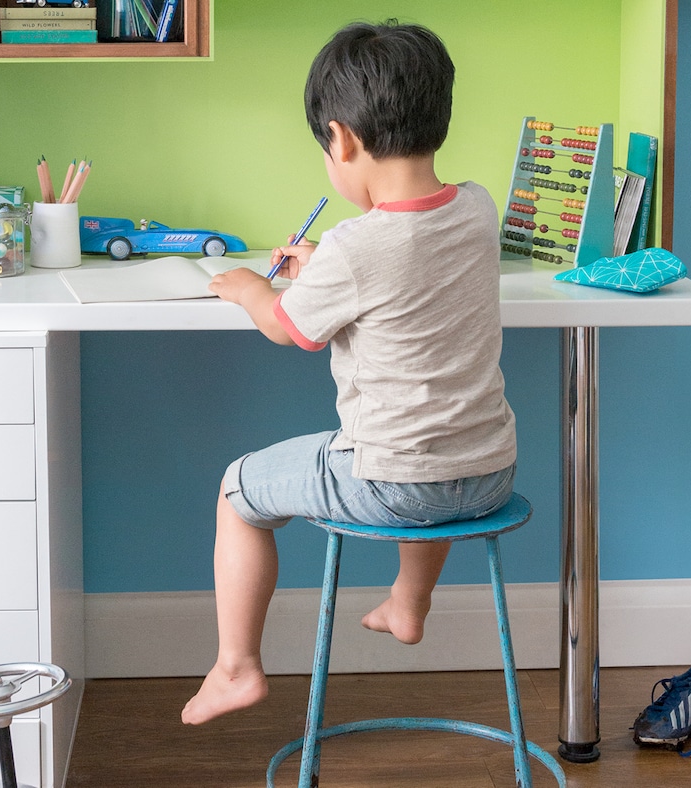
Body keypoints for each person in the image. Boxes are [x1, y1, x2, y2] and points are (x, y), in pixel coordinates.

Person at [181, 20, 518, 726]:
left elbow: (287, 328)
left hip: (395, 485)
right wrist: (323, 275)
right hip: (487, 472)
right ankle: (409, 598)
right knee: (433, 442)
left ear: (341, 139)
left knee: (237, 490)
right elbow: (404, 276)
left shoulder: (353, 244)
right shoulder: (480, 209)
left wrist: (249, 286)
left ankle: (235, 666)